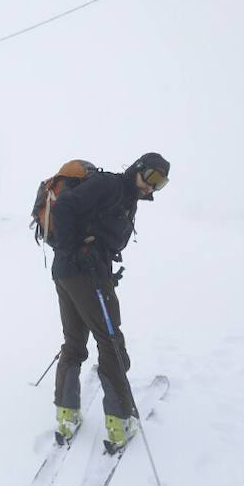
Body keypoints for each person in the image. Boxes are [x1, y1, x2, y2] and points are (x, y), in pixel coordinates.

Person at [49, 152, 170, 447]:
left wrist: (85, 259)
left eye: (161, 183)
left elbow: (99, 234)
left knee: (74, 342)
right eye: (152, 177)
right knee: (111, 343)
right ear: (138, 168)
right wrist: (75, 254)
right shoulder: (109, 185)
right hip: (82, 273)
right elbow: (63, 208)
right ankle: (120, 422)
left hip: (68, 273)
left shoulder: (126, 198)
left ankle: (66, 416)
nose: (152, 186)